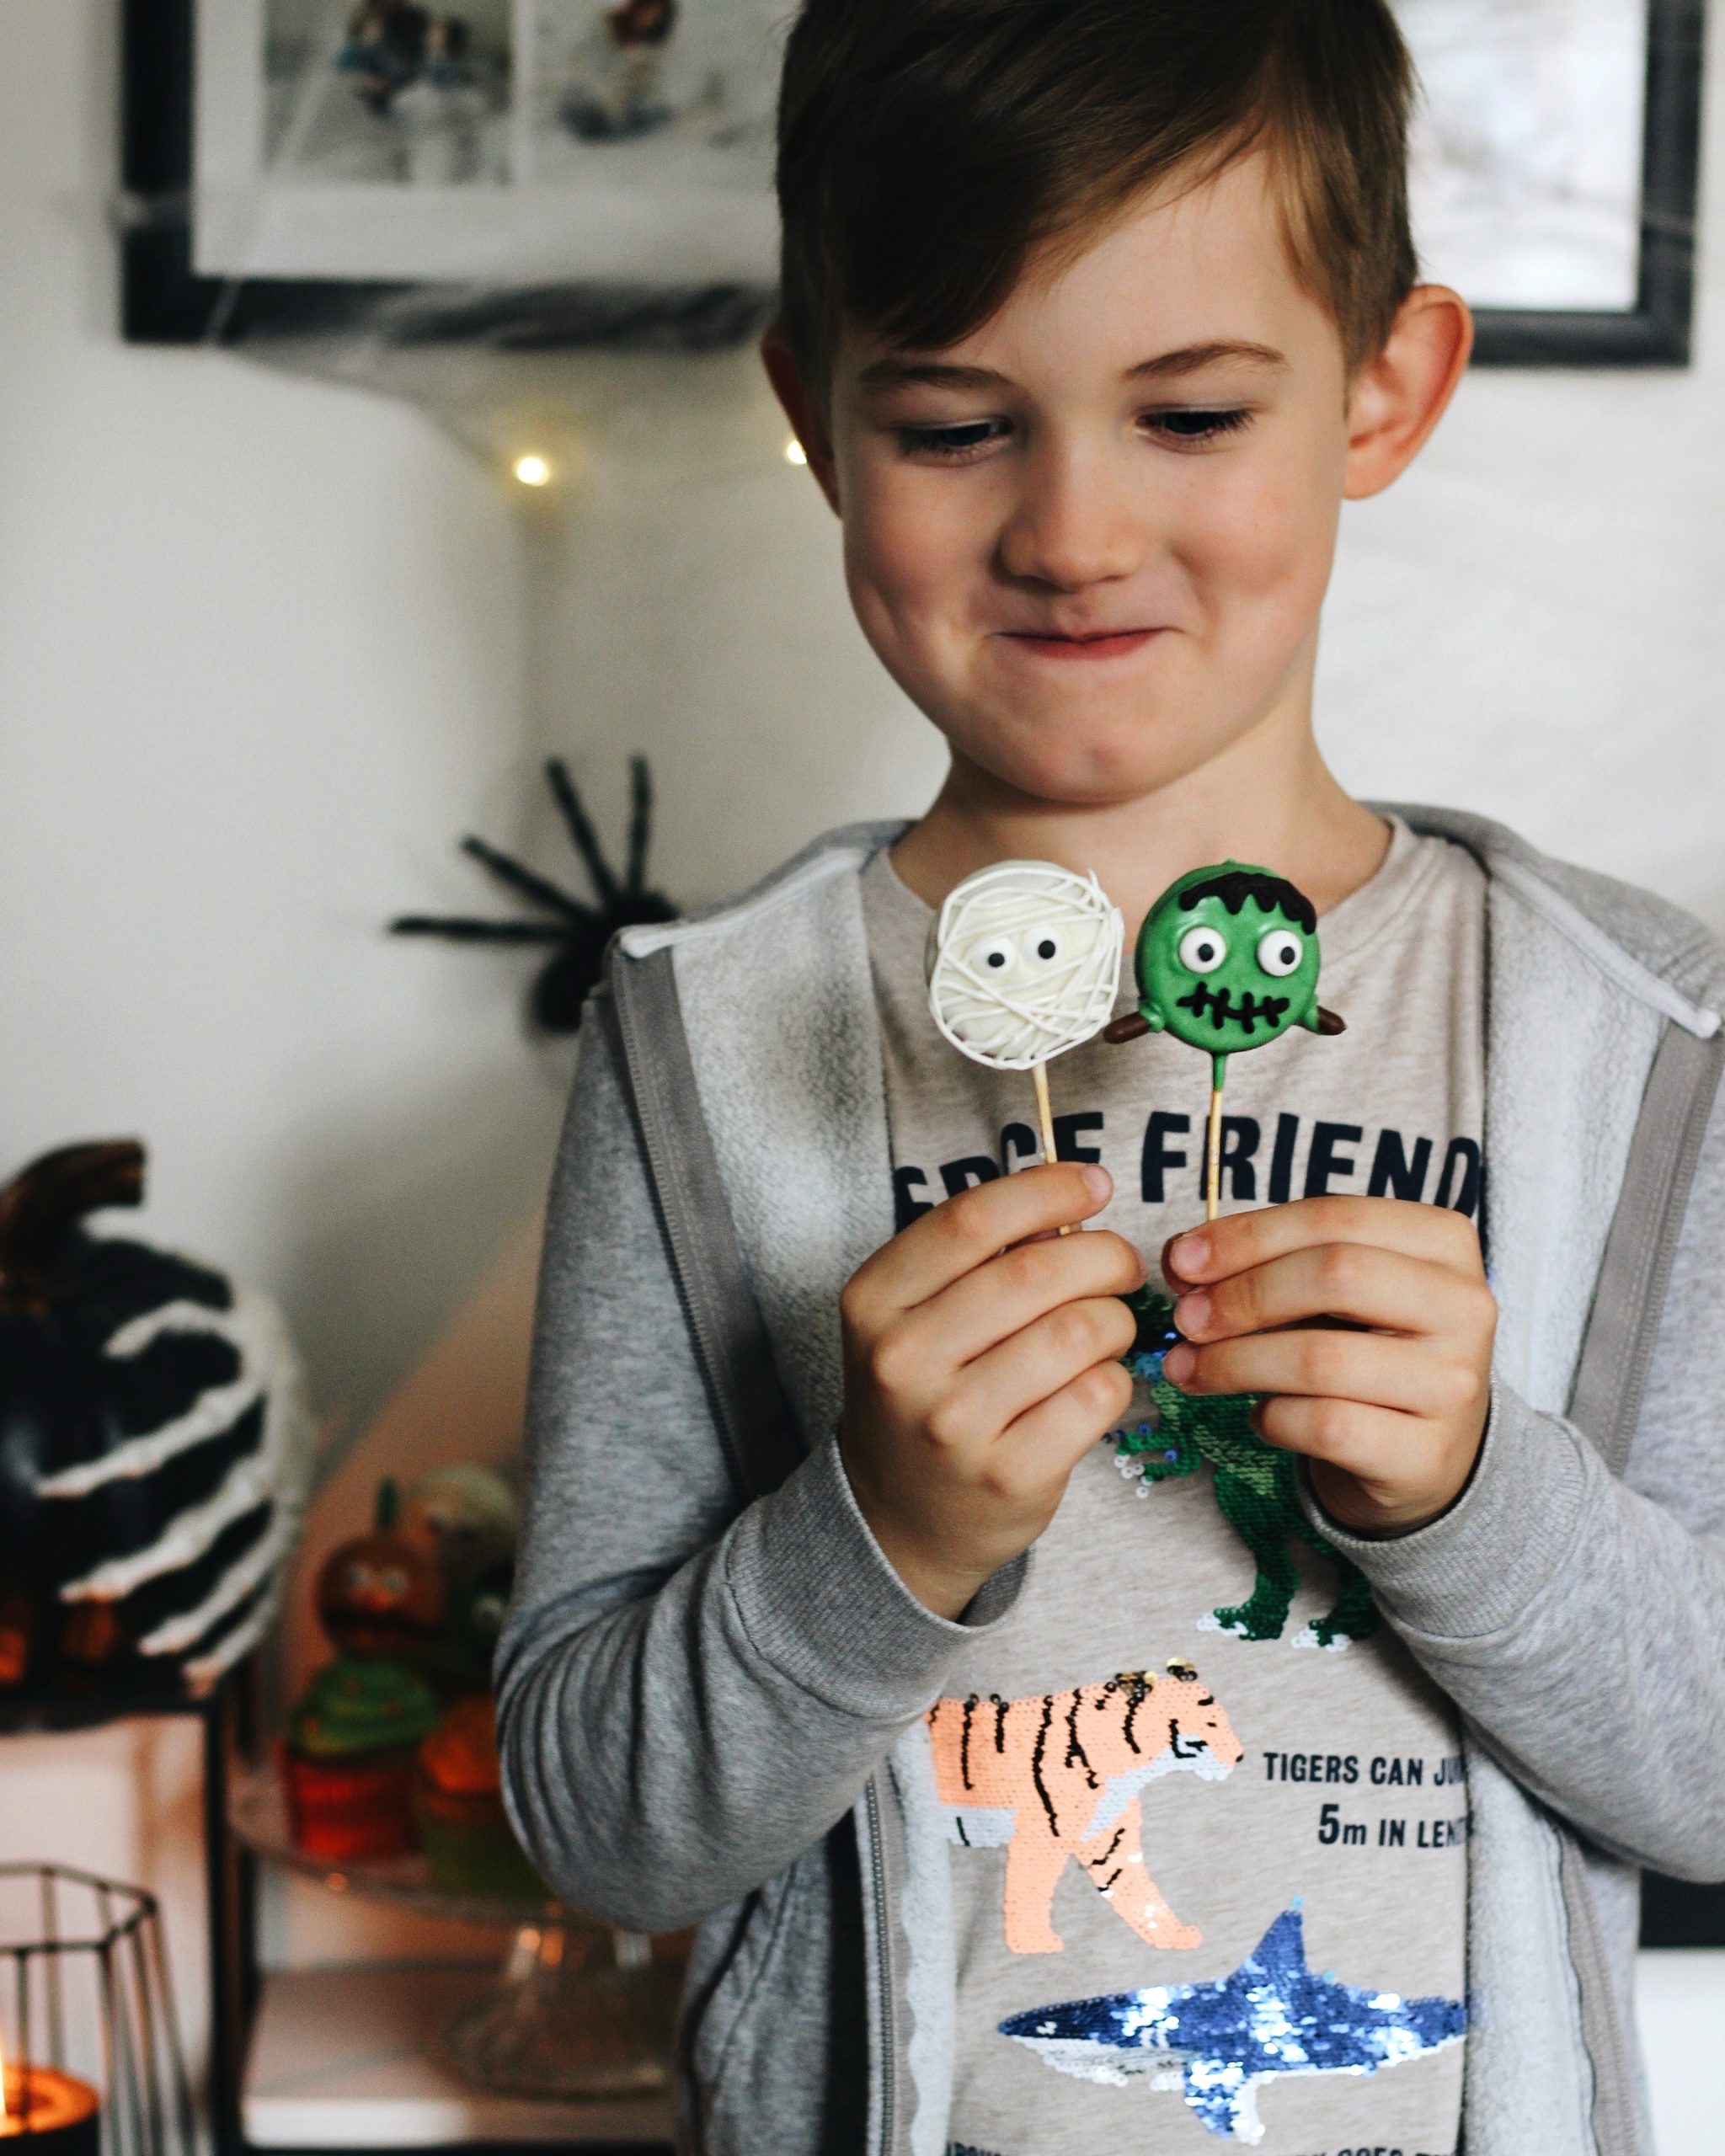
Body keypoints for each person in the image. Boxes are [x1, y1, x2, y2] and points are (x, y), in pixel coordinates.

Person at [495, 4, 1725, 2153]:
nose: (1072, 529)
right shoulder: (697, 1039)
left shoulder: (1644, 1042)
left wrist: (1468, 1497)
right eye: (961, 424)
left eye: (1186, 410)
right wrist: (874, 1529)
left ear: (1384, 388)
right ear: (815, 411)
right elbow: (596, 1825)